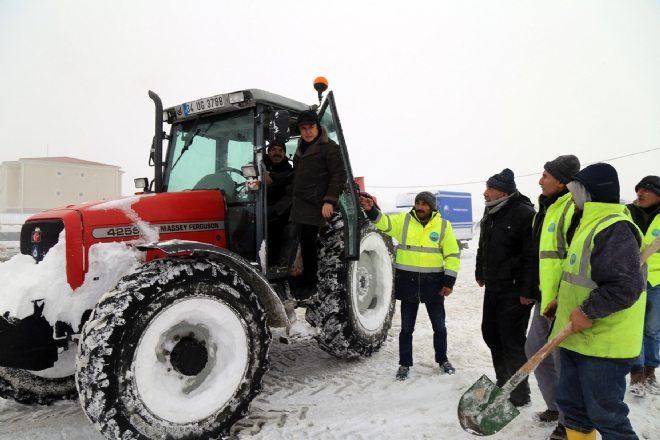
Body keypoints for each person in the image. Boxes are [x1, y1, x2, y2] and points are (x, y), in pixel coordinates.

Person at [548, 163, 646, 440]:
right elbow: (582, 277)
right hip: (577, 336)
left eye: (575, 192)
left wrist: (587, 310)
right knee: (573, 409)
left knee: (607, 415)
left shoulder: (614, 228)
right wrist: (561, 302)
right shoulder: (588, 224)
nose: (572, 198)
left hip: (603, 344)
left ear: (589, 193)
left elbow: (626, 286)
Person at [359, 191, 460, 380]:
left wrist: (449, 281)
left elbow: (452, 255)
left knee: (439, 327)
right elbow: (384, 223)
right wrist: (371, 210)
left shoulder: (444, 226)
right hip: (408, 284)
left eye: (424, 204)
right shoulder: (403, 221)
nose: (420, 207)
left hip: (434, 285)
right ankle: (404, 364)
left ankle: (442, 359)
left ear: (432, 207)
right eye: (417, 203)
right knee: (406, 329)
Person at [524, 155, 580, 440]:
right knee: (535, 351)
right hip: (544, 299)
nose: (540, 180)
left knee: (562, 361)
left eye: (545, 175)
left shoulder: (572, 209)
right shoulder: (545, 210)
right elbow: (540, 257)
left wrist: (562, 298)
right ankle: (556, 408)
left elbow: (575, 257)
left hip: (564, 300)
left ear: (561, 181)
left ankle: (570, 422)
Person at [475, 168, 535, 407]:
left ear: (502, 191)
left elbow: (532, 256)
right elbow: (483, 246)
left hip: (515, 288)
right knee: (491, 334)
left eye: (489, 188)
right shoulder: (490, 213)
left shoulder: (524, 213)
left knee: (512, 341)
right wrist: (480, 271)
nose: (485, 192)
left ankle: (520, 392)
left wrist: (528, 291)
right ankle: (504, 380)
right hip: (494, 286)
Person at [288, 110, 346, 298]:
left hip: (317, 204)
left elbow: (339, 175)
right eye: (303, 128)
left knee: (309, 244)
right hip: (300, 204)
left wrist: (329, 200)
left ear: (318, 127)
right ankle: (295, 280)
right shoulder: (300, 149)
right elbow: (294, 176)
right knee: (294, 241)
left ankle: (310, 285)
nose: (307, 132)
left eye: (311, 127)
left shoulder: (329, 148)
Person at [626, 175, 660, 397]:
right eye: (639, 189)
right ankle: (636, 373)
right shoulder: (626, 213)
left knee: (652, 330)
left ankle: (650, 370)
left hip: (658, 281)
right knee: (634, 327)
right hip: (632, 278)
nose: (641, 193)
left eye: (647, 190)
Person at [263, 141, 294, 266]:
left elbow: (287, 179)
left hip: (280, 210)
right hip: (259, 206)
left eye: (280, 151)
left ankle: (273, 264)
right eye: (274, 150)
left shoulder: (289, 169)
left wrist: (272, 177)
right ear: (268, 152)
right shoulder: (260, 166)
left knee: (275, 229)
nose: (277, 153)